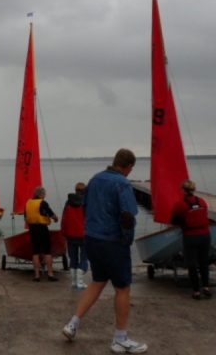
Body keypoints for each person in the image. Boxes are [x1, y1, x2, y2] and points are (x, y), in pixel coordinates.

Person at [62, 148, 147, 354]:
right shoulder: (122, 183)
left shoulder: (95, 179)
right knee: (123, 288)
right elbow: (127, 216)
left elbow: (85, 207)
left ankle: (73, 324)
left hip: (92, 238)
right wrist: (126, 242)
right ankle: (120, 339)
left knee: (98, 281)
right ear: (128, 167)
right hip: (112, 241)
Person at [170, 179, 212, 300]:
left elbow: (174, 220)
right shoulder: (202, 201)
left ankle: (196, 292)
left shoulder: (180, 205)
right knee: (204, 262)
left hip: (191, 236)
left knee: (192, 264)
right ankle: (206, 287)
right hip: (205, 234)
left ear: (183, 190)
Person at [25, 186, 60, 282]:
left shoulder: (28, 203)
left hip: (32, 229)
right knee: (47, 251)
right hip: (42, 228)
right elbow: (52, 214)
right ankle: (50, 274)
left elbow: (26, 216)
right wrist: (56, 219)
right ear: (41, 194)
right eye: (44, 194)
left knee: (35, 252)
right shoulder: (43, 203)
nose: (45, 196)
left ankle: (37, 275)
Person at [61, 182, 88, 289]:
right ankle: (80, 282)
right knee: (84, 258)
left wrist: (63, 233)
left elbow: (64, 219)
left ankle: (74, 282)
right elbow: (90, 219)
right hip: (84, 234)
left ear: (75, 189)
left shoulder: (68, 203)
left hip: (70, 234)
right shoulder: (86, 202)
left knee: (73, 258)